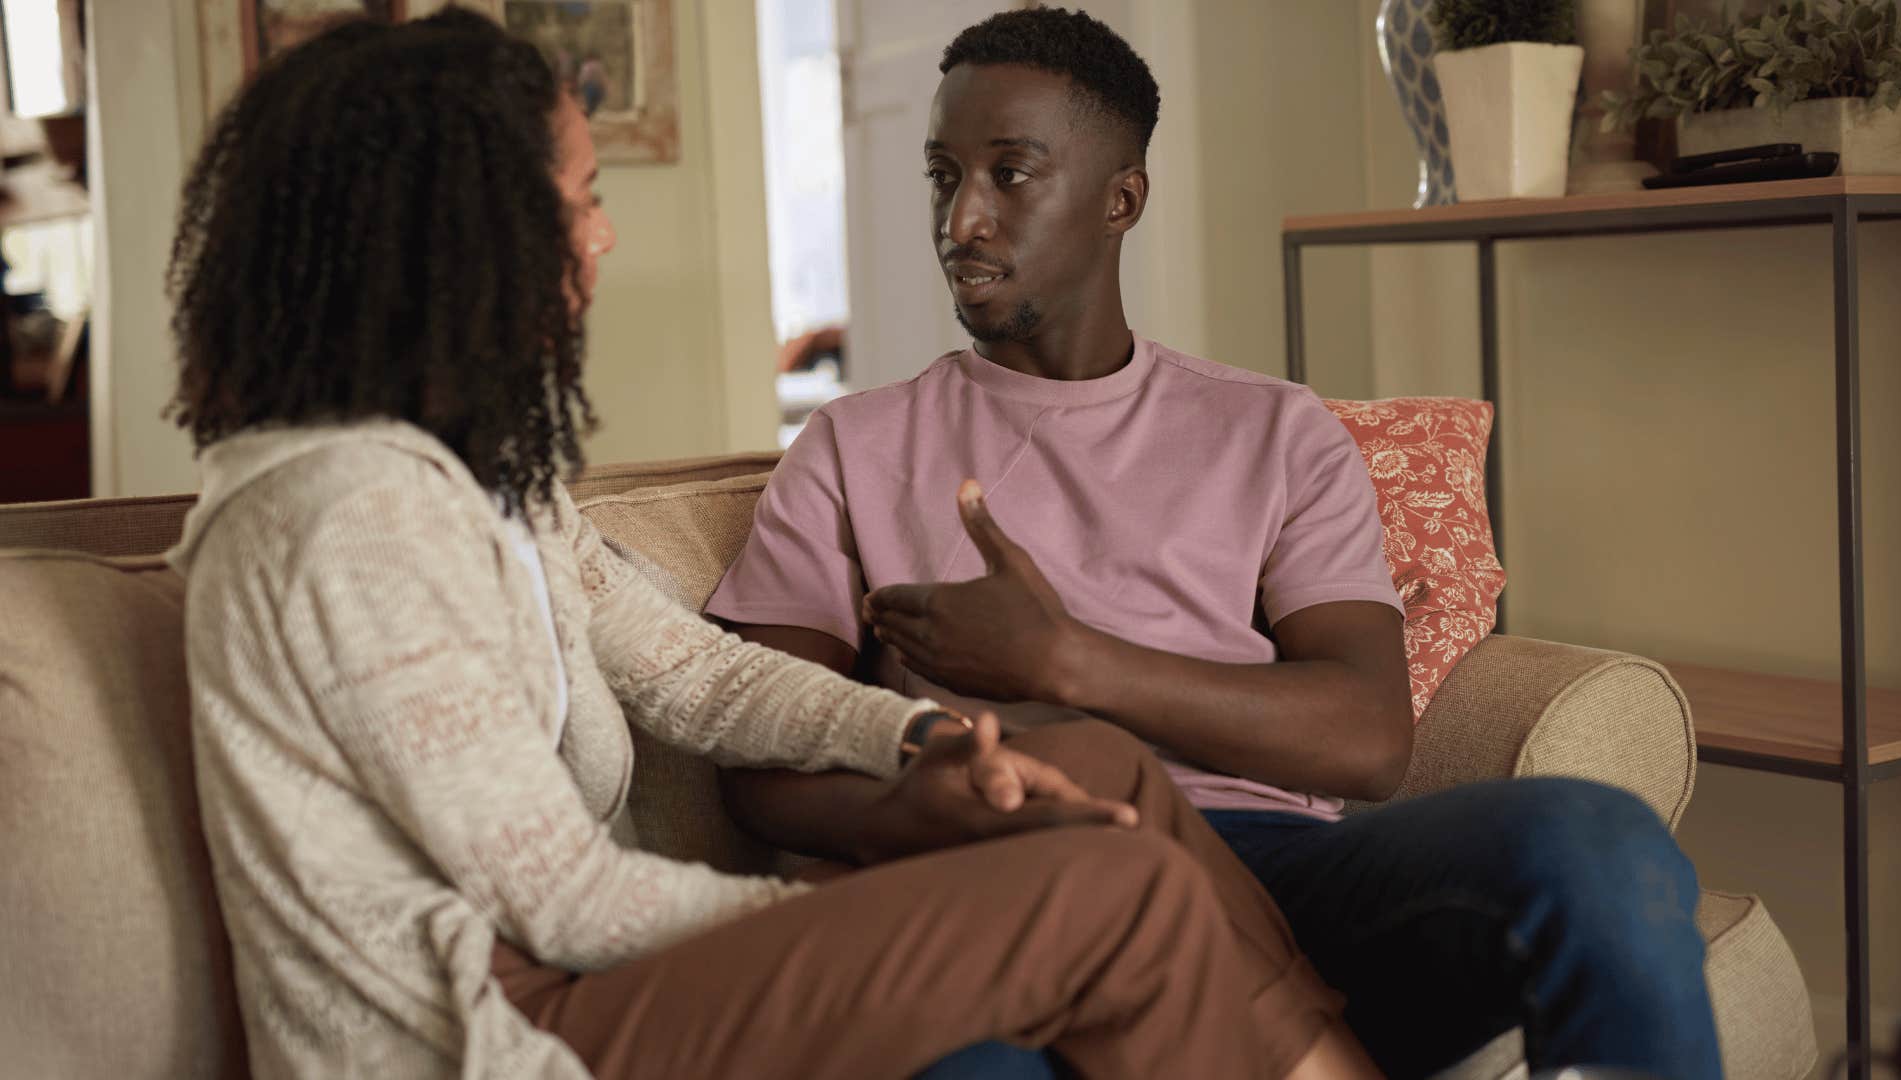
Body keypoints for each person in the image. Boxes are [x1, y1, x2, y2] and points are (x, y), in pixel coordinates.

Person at [161, 10, 1380, 1079]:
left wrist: (926, 737)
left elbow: (697, 673)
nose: (602, 238)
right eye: (580, 200)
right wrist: (868, 910)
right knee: (1105, 889)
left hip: (582, 981)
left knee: (1099, 776)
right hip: (497, 1029)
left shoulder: (485, 486)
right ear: (459, 235)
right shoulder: (343, 521)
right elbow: (562, 901)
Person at [707, 8, 1723, 1079]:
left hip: (1275, 877)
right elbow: (759, 768)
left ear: (1120, 199)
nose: (961, 221)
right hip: (1008, 882)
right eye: (941, 175)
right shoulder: (850, 448)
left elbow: (1367, 737)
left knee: (1598, 843)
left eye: (1010, 175)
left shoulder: (1275, 431)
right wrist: (933, 802)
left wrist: (1067, 663)